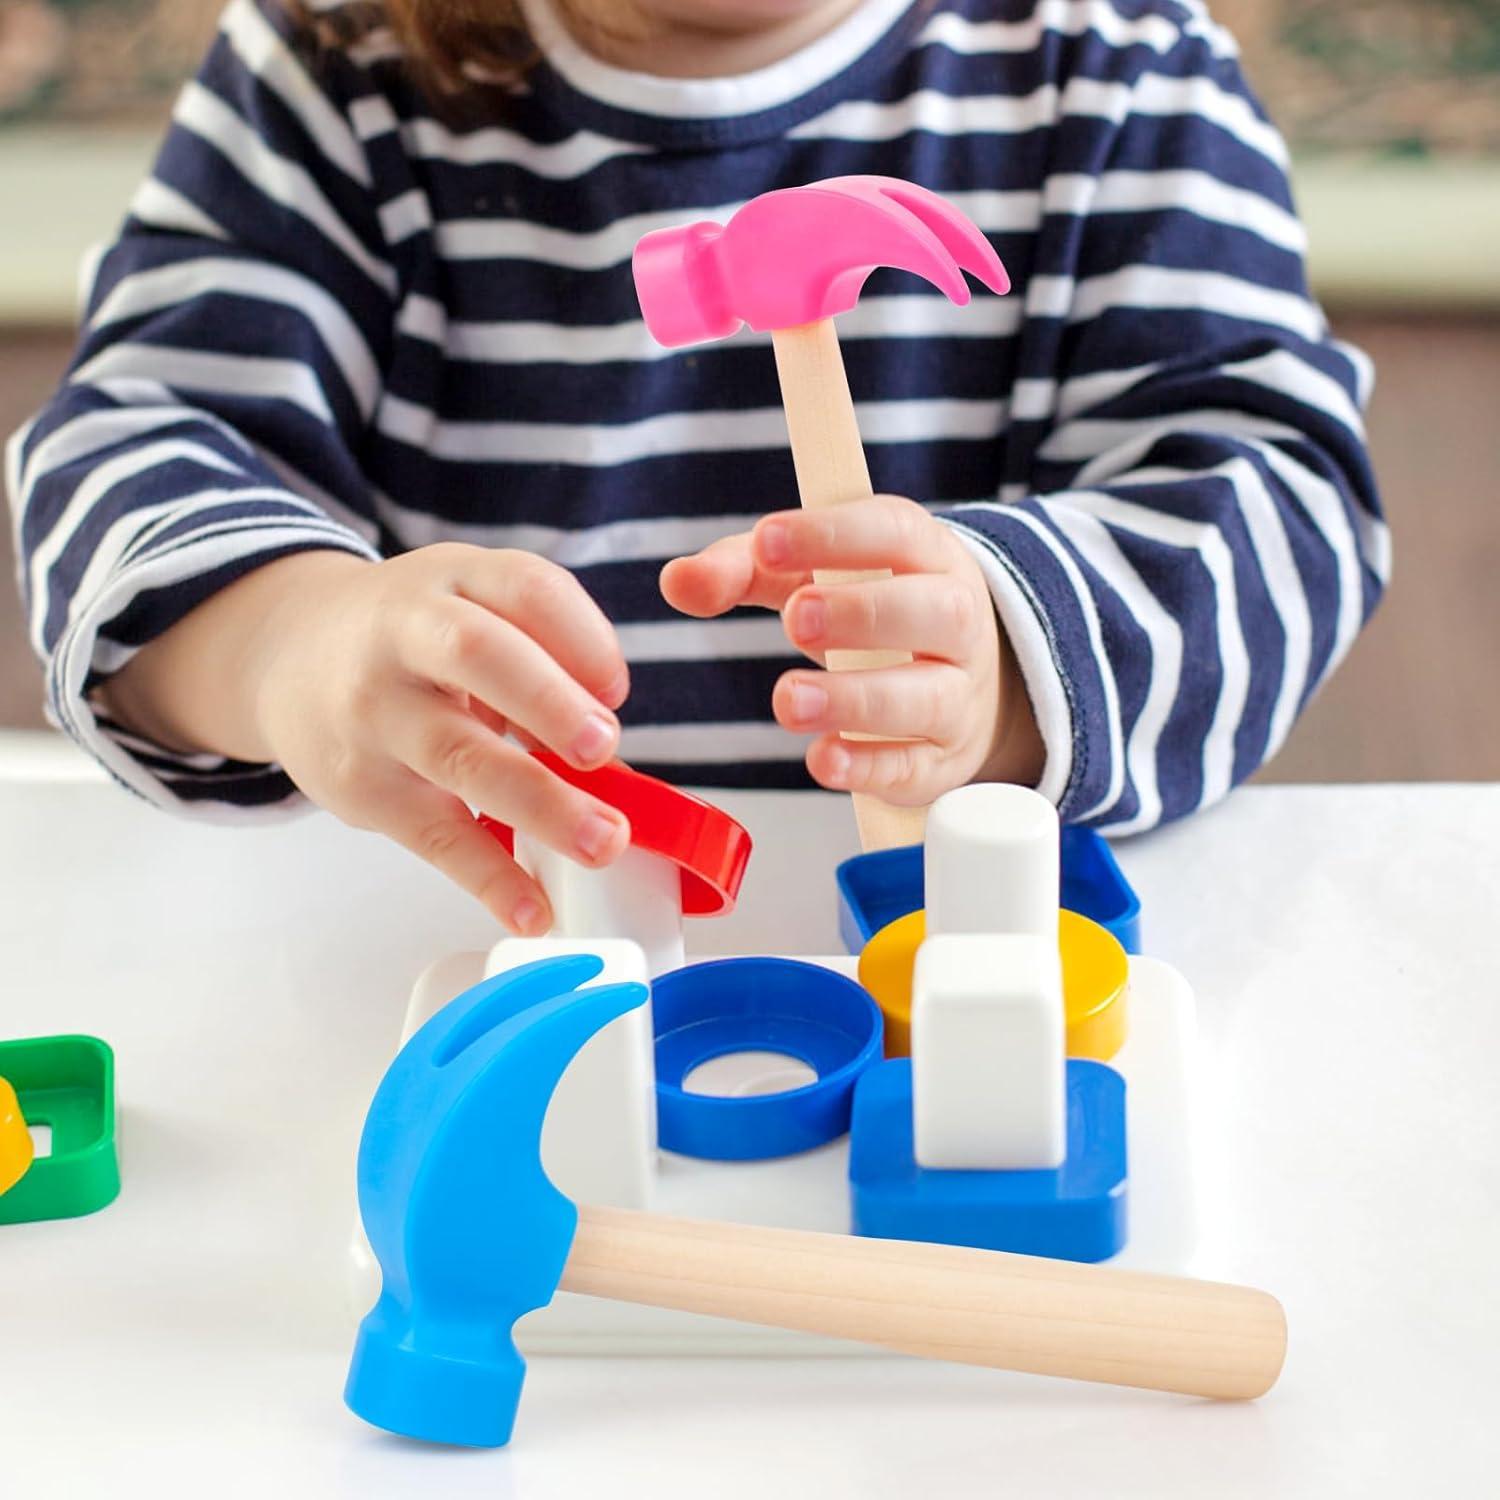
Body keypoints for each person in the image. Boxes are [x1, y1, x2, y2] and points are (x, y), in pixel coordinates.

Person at [5, 0, 1388, 936]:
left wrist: (1015, 668)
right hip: (487, 958)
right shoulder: (338, 61)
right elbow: (136, 445)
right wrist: (289, 644)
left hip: (964, 962)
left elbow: (1278, 496)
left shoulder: (1119, 64)